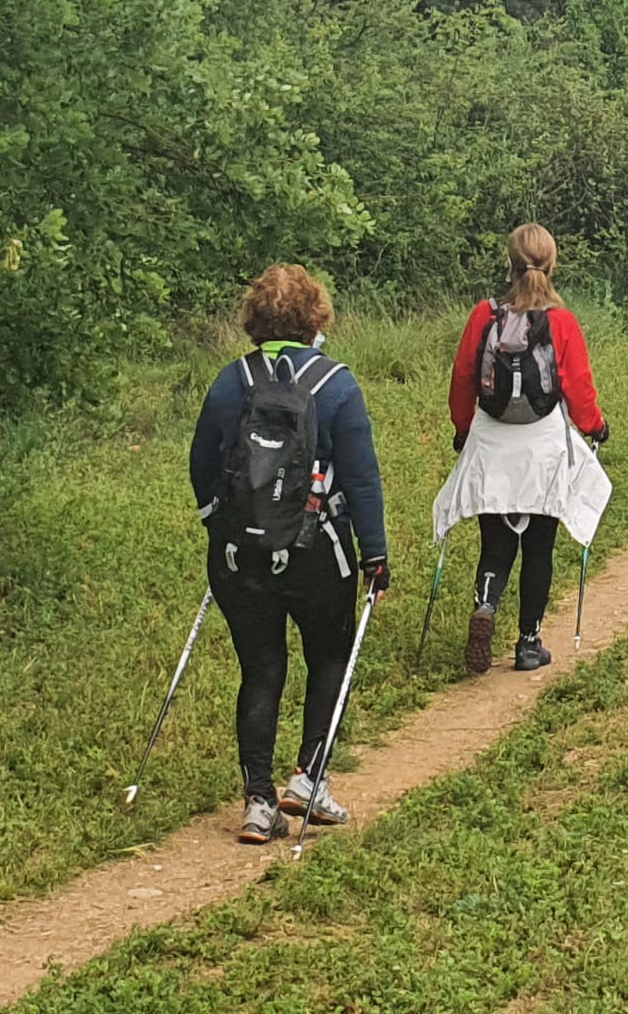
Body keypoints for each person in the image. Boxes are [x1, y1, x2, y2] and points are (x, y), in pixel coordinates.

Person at [189, 264, 390, 845]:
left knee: (261, 667)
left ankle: (257, 803)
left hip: (239, 555)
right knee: (329, 656)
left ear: (253, 318)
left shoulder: (231, 381)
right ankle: (308, 779)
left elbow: (203, 466)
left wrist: (218, 527)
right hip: (318, 551)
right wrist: (374, 555)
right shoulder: (338, 384)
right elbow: (363, 478)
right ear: (315, 317)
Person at [444, 224, 610, 677]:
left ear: (509, 263)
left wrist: (463, 430)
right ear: (552, 263)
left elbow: (462, 379)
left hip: (491, 443)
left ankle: (485, 606)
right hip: (543, 449)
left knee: (495, 547)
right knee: (540, 547)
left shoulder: (484, 315)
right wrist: (597, 426)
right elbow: (577, 389)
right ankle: (529, 642)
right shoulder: (562, 322)